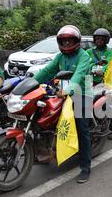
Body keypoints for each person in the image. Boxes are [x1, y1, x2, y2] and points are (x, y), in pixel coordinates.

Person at [34, 25, 93, 184]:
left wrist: (68, 90)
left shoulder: (84, 56)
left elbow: (79, 76)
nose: (66, 44)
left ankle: (85, 167)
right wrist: (30, 83)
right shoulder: (60, 57)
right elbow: (47, 71)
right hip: (62, 92)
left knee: (82, 129)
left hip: (82, 94)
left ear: (76, 41)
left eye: (69, 41)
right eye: (64, 41)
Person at [87, 28, 112, 140]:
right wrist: (96, 65)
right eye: (97, 38)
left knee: (110, 104)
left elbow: (107, 65)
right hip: (91, 81)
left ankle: (111, 129)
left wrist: (95, 67)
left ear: (106, 40)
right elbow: (86, 65)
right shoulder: (89, 52)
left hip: (106, 82)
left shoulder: (110, 52)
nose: (99, 41)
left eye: (102, 39)